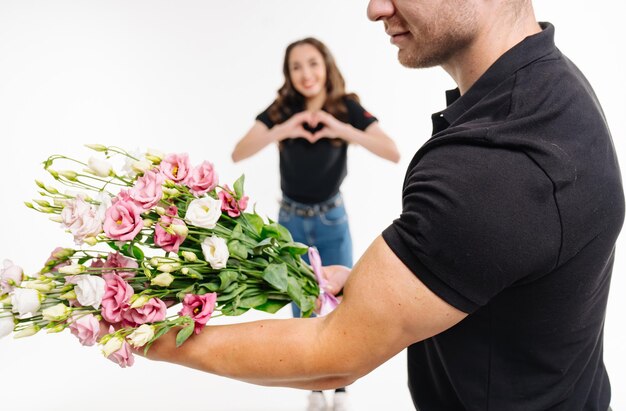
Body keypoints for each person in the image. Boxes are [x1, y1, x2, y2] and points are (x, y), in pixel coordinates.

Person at [138, 1, 623, 410]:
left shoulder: (496, 163)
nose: (374, 9)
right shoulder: (548, 86)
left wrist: (153, 335)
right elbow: (496, 263)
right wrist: (384, 285)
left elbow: (333, 351)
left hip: (330, 216)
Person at [231, 37, 400, 411]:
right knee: (300, 300)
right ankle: (312, 388)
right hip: (290, 220)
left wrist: (338, 128)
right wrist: (284, 127)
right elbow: (239, 151)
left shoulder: (347, 107)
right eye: (296, 67)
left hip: (331, 217)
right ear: (289, 75)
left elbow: (391, 151)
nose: (306, 73)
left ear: (326, 66)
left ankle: (340, 388)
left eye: (312, 63)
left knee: (342, 300)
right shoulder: (283, 109)